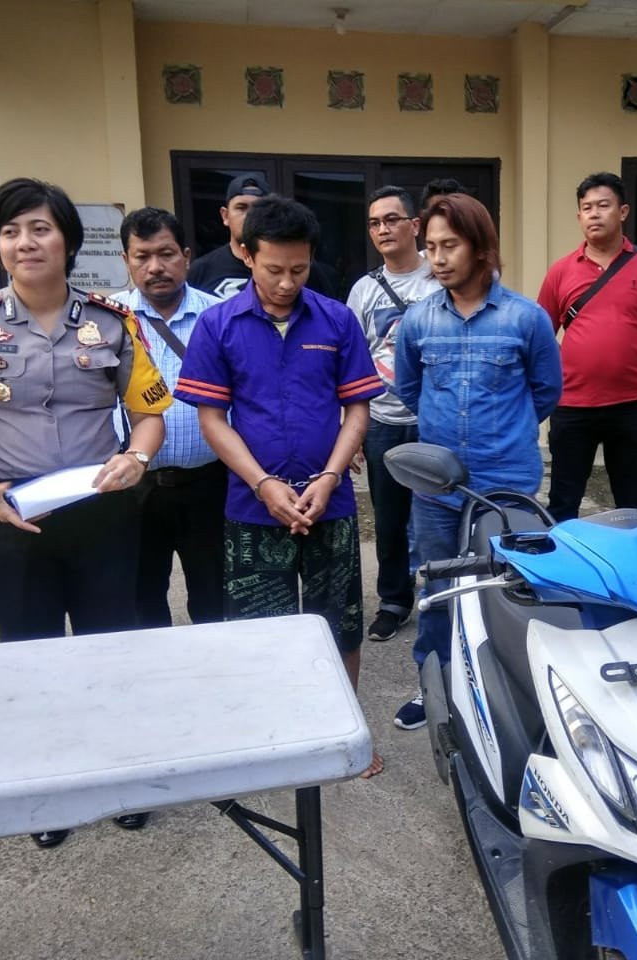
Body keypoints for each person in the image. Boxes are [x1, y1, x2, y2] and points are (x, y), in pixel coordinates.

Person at [0, 177, 172, 847]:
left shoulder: (112, 321)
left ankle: (118, 776)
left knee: (107, 647)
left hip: (102, 514)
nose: (25, 242)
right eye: (10, 232)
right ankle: (47, 789)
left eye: (39, 229)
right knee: (28, 654)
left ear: (67, 240)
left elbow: (149, 414)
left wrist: (137, 457)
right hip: (9, 517)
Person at [174, 195, 386, 776]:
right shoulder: (219, 325)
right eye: (274, 269)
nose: (287, 282)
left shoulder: (336, 320)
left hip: (329, 504)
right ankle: (271, 737)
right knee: (259, 632)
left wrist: (331, 476)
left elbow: (358, 409)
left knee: (339, 622)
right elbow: (213, 420)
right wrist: (263, 483)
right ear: (246, 254)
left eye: (299, 268)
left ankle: (344, 735)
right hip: (253, 507)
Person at [393, 193, 562, 731]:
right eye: (431, 247)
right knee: (438, 587)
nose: (437, 258)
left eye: (450, 245)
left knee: (508, 586)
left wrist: (503, 433)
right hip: (435, 486)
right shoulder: (419, 321)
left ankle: (508, 687)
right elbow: (409, 388)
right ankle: (436, 684)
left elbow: (546, 391)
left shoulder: (526, 319)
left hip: (505, 482)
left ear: (481, 247)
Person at [537, 171, 637, 522]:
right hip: (572, 404)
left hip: (630, 405)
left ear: (623, 211)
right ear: (579, 216)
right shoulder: (561, 271)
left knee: (632, 502)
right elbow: (541, 337)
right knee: (563, 502)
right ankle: (564, 557)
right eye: (587, 208)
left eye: (603, 205)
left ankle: (633, 556)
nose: (594, 214)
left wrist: (631, 364)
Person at [115, 206, 226, 627]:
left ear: (186, 256)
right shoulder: (106, 319)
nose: (155, 267)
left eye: (166, 254)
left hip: (209, 485)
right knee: (140, 603)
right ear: (126, 261)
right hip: (133, 488)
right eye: (142, 256)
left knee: (215, 601)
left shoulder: (220, 316)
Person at [346, 186, 439, 643]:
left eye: (392, 219)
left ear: (414, 225)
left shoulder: (438, 278)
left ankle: (443, 594)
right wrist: (350, 430)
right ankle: (394, 601)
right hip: (382, 421)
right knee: (388, 520)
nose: (383, 229)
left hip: (435, 419)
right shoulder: (363, 290)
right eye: (374, 223)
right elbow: (350, 362)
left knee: (440, 514)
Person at [187, 175, 337, 299]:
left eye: (257, 209)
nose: (249, 216)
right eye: (241, 207)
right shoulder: (201, 270)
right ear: (225, 215)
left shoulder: (311, 272)